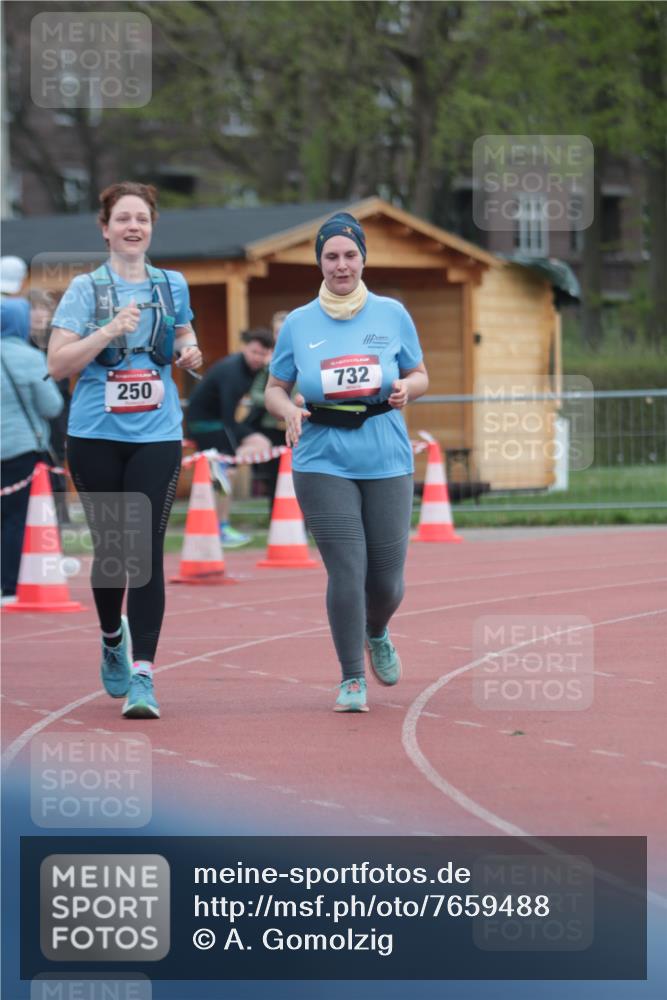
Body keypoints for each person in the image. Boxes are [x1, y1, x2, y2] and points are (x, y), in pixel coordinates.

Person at [48, 181, 202, 719]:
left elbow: (183, 337)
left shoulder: (171, 284)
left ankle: (144, 676)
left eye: (142, 218)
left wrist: (190, 352)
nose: (133, 227)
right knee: (114, 551)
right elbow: (58, 364)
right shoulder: (85, 290)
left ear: (152, 225)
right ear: (105, 227)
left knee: (146, 551)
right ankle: (112, 636)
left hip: (157, 434)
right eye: (123, 219)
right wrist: (108, 329)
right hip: (95, 436)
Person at [265, 212, 429, 713]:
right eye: (331, 256)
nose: (341, 265)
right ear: (319, 261)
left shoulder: (391, 313)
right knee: (347, 569)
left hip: (385, 454)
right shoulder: (298, 322)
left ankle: (376, 631)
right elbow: (274, 388)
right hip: (322, 458)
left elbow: (420, 373)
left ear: (363, 259)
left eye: (350, 255)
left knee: (387, 580)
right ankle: (351, 677)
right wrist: (289, 409)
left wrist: (406, 387)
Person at [185, 328, 273, 546]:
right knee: (228, 473)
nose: (257, 358)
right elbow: (227, 417)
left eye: (263, 354)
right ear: (245, 348)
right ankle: (220, 527)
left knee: (261, 442)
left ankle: (224, 469)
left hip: (222, 421)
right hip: (205, 424)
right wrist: (231, 452)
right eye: (254, 352)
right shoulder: (232, 370)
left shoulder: (257, 369)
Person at [1, 297, 64, 604]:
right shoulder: (29, 357)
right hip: (20, 448)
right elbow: (52, 406)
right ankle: (11, 586)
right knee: (16, 518)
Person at [28, 290, 72, 524]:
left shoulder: (58, 339)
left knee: (56, 461)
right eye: (33, 308)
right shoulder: (17, 342)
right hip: (28, 412)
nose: (38, 314)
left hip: (57, 410)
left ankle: (59, 514)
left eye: (43, 308)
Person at [246, 310, 290, 507]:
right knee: (274, 476)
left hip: (299, 425)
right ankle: (276, 517)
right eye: (277, 331)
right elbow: (255, 392)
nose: (280, 335)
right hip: (272, 427)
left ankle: (304, 522)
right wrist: (276, 403)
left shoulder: (305, 352)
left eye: (284, 330)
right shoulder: (269, 361)